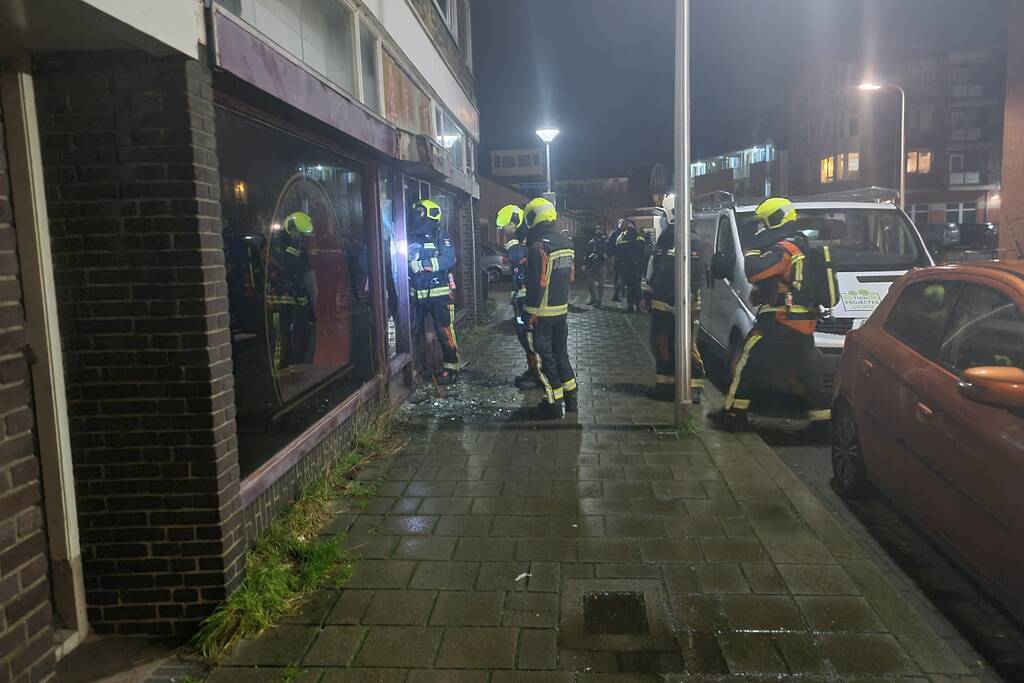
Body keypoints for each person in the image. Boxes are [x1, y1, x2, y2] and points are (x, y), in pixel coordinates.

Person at [709, 197, 831, 432]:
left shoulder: (785, 249)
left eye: (764, 223)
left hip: (778, 321)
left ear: (775, 219)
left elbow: (754, 272)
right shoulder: (806, 245)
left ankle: (734, 413)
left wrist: (755, 247)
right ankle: (823, 421)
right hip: (804, 323)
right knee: (808, 372)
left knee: (747, 362)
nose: (763, 228)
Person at [644, 194, 705, 402]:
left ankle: (693, 387)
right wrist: (649, 290)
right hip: (662, 300)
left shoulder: (692, 240)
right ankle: (665, 385)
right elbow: (656, 265)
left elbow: (695, 276)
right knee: (660, 342)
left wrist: (684, 297)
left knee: (686, 344)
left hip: (683, 302)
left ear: (672, 214)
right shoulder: (665, 237)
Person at [523, 198, 577, 419]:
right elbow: (571, 276)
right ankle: (572, 399)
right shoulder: (567, 243)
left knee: (546, 358)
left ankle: (553, 403)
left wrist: (530, 312)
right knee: (561, 354)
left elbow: (537, 283)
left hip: (542, 312)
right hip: (561, 310)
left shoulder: (539, 247)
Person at [408, 199, 460, 386]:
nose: (417, 216)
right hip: (418, 296)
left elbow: (448, 259)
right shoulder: (411, 238)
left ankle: (451, 368)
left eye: (420, 213)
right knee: (416, 333)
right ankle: (422, 366)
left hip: (439, 295)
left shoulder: (441, 235)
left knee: (444, 331)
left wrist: (422, 265)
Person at [267, 211, 316, 375]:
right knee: (282, 340)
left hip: (296, 301)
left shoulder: (296, 251)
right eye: (302, 237)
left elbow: (305, 274)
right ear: (294, 233)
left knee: (301, 337)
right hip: (281, 302)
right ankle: (278, 375)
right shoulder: (278, 248)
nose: (304, 241)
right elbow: (288, 266)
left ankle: (294, 371)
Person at [497, 204, 540, 389]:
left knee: (530, 335)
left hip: (528, 297)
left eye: (505, 228)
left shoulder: (526, 240)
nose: (504, 232)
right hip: (520, 296)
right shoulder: (522, 239)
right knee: (523, 334)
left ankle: (538, 374)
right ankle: (532, 370)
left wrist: (511, 235)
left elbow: (516, 256)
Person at [615, 219, 647, 313]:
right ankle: (638, 307)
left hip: (627, 265)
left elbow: (618, 249)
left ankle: (630, 306)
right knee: (636, 287)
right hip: (636, 265)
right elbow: (642, 252)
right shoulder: (639, 236)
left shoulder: (622, 236)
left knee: (630, 287)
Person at [584, 226, 608, 306]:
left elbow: (607, 253)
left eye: (600, 230)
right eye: (597, 230)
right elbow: (587, 254)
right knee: (590, 283)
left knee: (601, 284)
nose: (598, 232)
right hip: (592, 265)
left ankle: (599, 301)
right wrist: (587, 264)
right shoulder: (591, 242)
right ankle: (593, 298)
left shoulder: (605, 241)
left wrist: (600, 255)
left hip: (601, 265)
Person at [607, 221, 625, 302]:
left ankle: (621, 292)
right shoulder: (615, 233)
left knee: (621, 277)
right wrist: (612, 256)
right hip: (617, 257)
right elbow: (610, 245)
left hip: (624, 258)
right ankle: (616, 294)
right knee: (618, 277)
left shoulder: (624, 233)